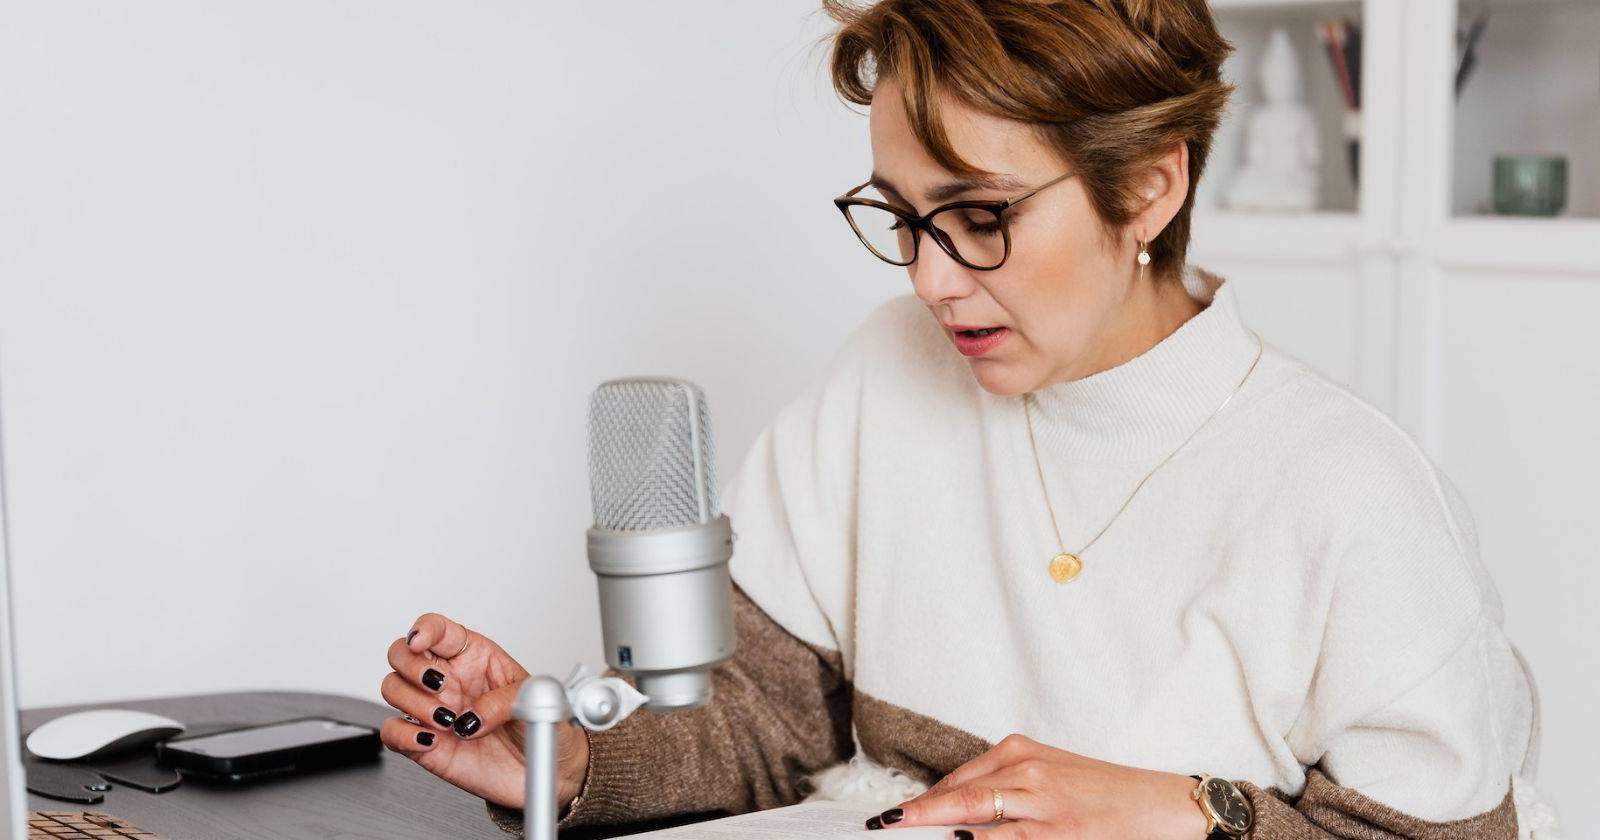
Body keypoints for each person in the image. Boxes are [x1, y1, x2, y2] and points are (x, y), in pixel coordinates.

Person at [377, 1, 1538, 838]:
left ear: (1148, 186)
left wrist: (1196, 814)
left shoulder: (1349, 491)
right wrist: (561, 756)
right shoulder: (888, 372)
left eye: (978, 217)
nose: (931, 281)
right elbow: (766, 723)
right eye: (902, 216)